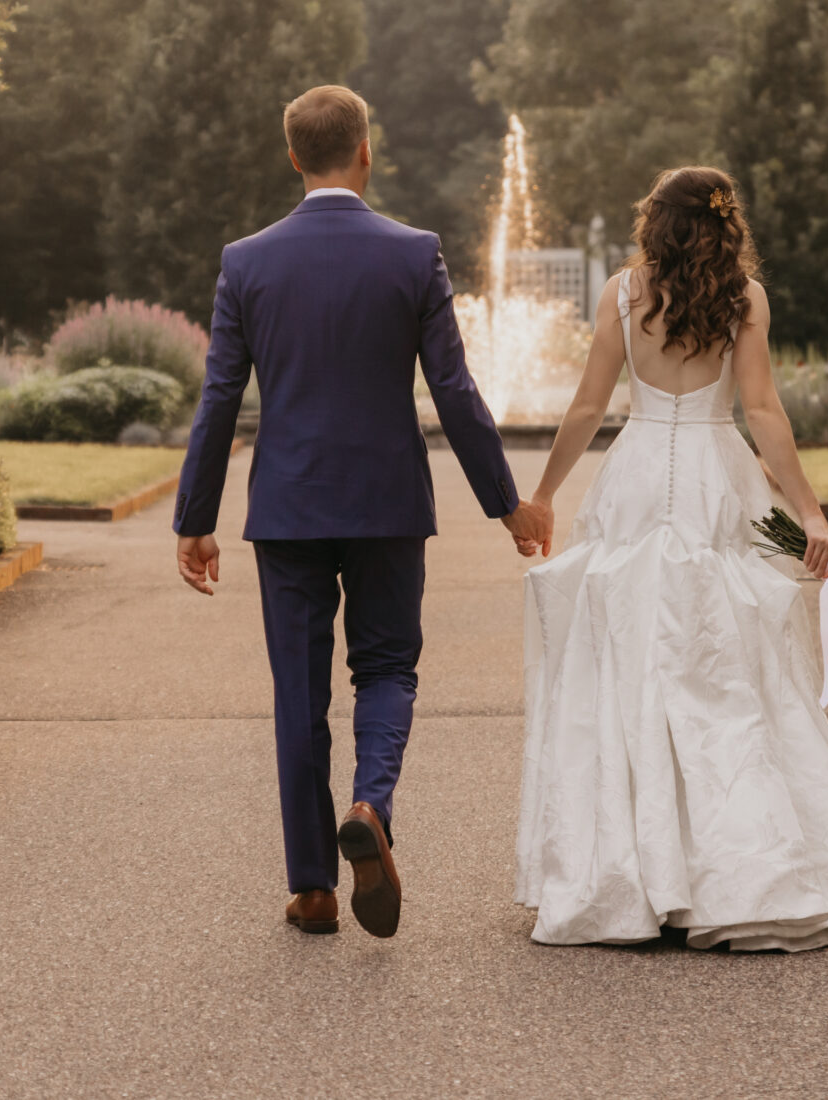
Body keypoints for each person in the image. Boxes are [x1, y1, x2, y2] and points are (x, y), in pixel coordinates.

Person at [174, 84, 554, 938]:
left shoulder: (247, 261)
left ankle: (312, 888)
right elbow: (453, 391)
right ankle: (372, 806)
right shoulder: (412, 253)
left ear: (293, 156)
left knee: (299, 694)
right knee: (386, 671)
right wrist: (508, 506)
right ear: (366, 151)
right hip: (386, 503)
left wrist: (193, 517)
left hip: (288, 508)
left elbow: (220, 396)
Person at [510, 166, 828, 949]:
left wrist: (545, 493)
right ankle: (741, 873)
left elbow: (591, 405)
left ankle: (631, 875)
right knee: (725, 673)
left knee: (631, 667)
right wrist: (808, 511)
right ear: (726, 225)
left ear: (653, 221)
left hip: (636, 476)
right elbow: (761, 409)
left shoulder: (623, 295)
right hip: (713, 477)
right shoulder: (744, 298)